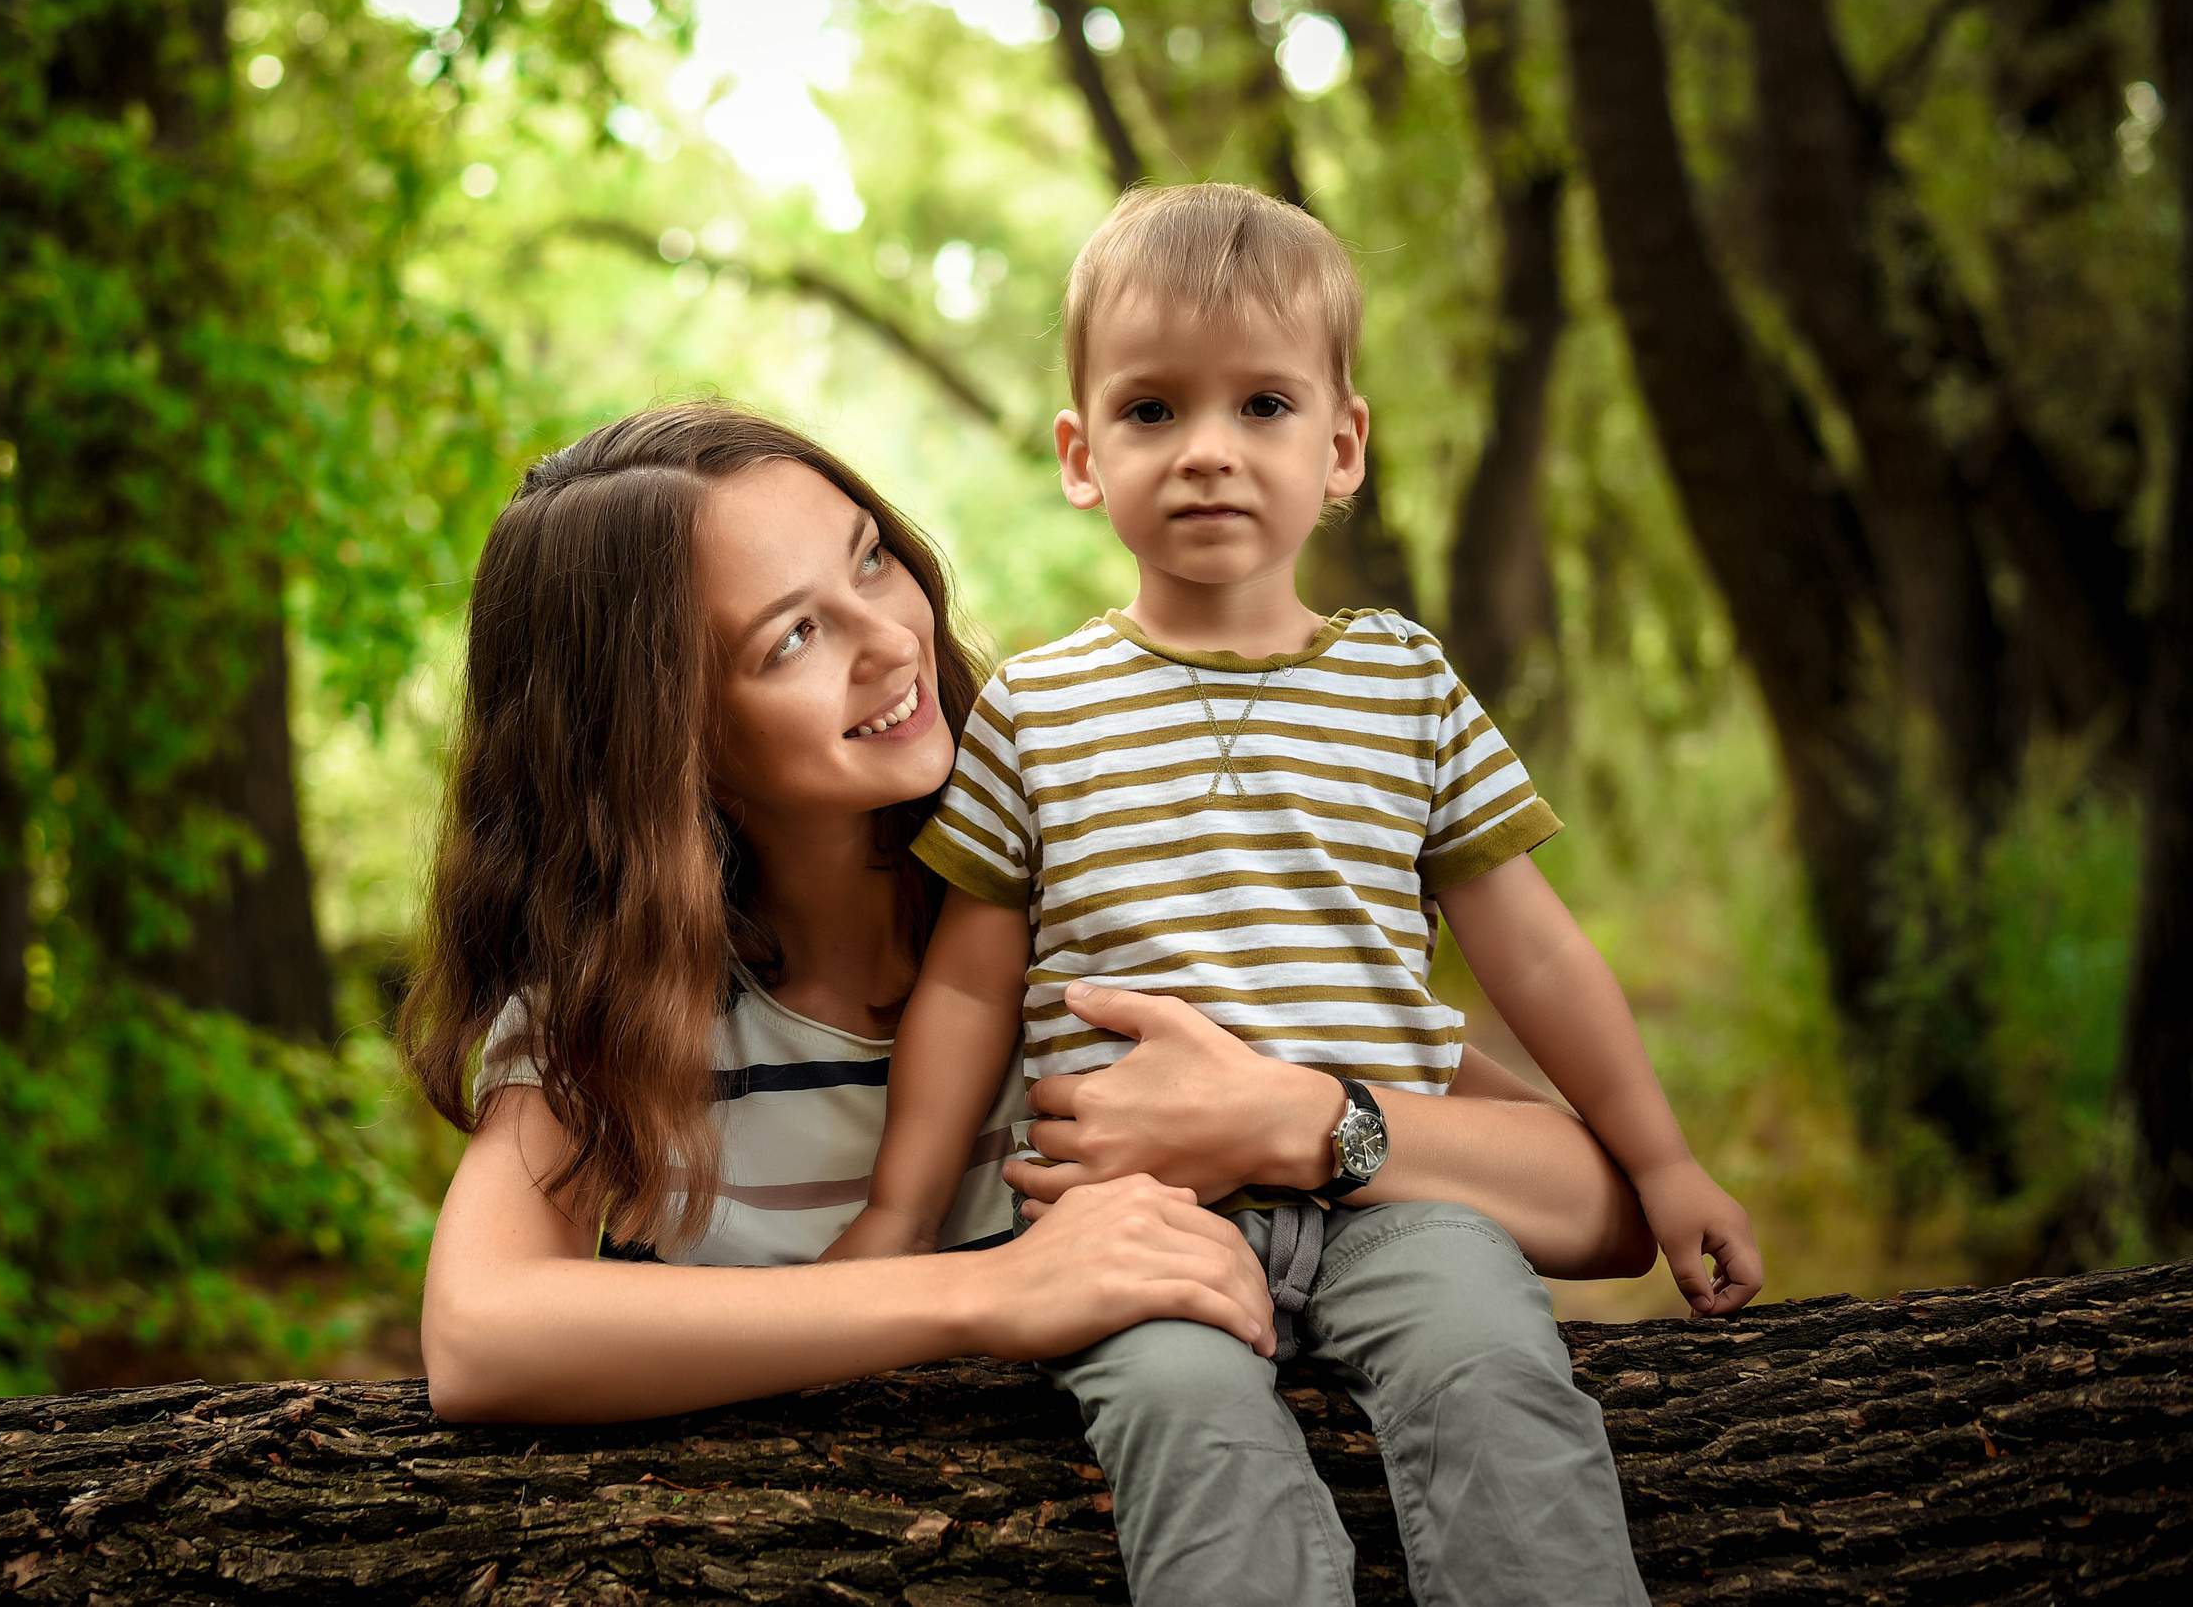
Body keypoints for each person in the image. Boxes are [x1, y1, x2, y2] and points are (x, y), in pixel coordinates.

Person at [407, 402, 1652, 1472]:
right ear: (657, 743)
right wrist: (988, 1291)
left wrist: (1306, 1115)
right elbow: (478, 1333)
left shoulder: (1099, 895)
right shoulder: (623, 1020)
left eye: (872, 560)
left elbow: (1603, 1207)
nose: (891, 639)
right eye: (792, 636)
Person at [823, 184, 1761, 1604]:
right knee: (1189, 1432)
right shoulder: (1036, 707)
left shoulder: (1406, 684)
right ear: (1082, 454)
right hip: (1137, 1218)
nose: (1207, 452)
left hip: (1400, 1196)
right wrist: (898, 1216)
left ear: (1343, 446)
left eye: (1262, 405)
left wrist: (1669, 1159)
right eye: (1152, 411)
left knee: (1496, 1378)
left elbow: (1539, 955)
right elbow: (968, 979)